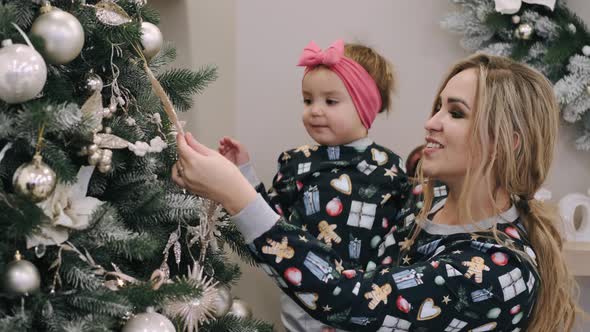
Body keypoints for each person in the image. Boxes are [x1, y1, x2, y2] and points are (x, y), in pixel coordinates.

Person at [172, 54, 579, 331]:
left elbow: (348, 298)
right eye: (437, 106)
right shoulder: (424, 203)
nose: (431, 123)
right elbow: (349, 265)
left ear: (509, 142)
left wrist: (236, 195)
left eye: (455, 112)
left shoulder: (497, 270)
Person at [217, 39, 412, 330]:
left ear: (364, 105)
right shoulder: (297, 162)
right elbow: (271, 222)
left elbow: (398, 243)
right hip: (302, 300)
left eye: (330, 101)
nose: (315, 110)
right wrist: (243, 171)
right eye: (308, 100)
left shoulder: (389, 168)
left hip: (364, 305)